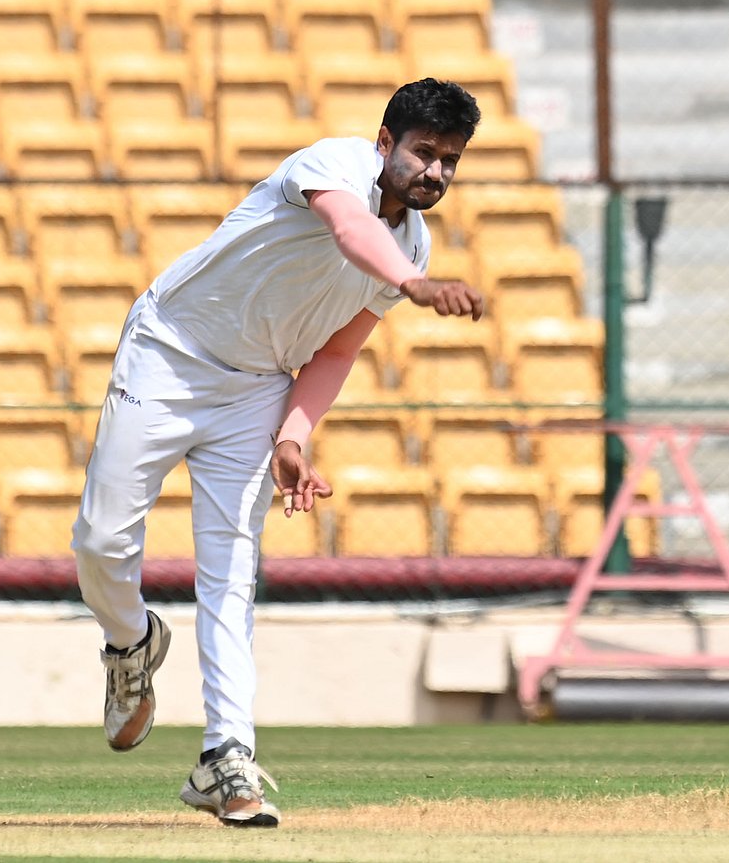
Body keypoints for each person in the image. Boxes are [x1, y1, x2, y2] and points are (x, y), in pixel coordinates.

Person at [72, 77, 484, 828]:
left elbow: (335, 351)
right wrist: (416, 284)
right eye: (424, 152)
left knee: (230, 567)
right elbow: (346, 230)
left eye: (450, 160)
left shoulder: (411, 242)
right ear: (385, 143)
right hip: (168, 350)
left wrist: (294, 435)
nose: (436, 172)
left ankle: (226, 754)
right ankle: (131, 642)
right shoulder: (333, 165)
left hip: (259, 386)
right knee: (100, 541)